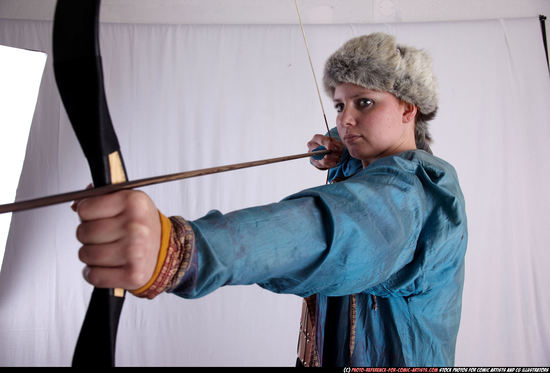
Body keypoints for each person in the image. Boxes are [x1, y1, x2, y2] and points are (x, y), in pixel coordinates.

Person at [73, 32, 467, 367]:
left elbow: (333, 233)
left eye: (364, 103)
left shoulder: (415, 191)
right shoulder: (368, 163)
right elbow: (362, 175)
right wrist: (342, 152)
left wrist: (179, 250)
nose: (346, 120)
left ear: (408, 108)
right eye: (340, 105)